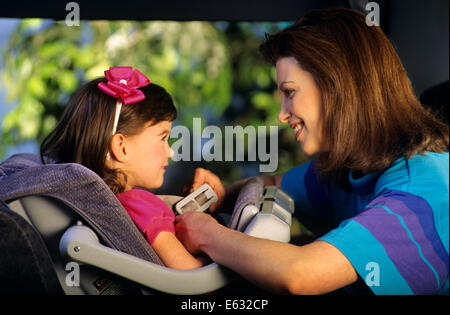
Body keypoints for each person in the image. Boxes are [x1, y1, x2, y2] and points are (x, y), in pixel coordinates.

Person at [175, 8, 449, 294]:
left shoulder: (422, 189)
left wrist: (206, 233)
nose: (282, 114)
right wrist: (222, 195)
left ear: (337, 85)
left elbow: (302, 275)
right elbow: (271, 183)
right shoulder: (349, 169)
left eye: (290, 92)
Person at [40, 66, 208, 270]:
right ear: (121, 147)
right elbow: (193, 278)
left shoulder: (98, 205)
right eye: (163, 138)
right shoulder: (141, 206)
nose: (170, 151)